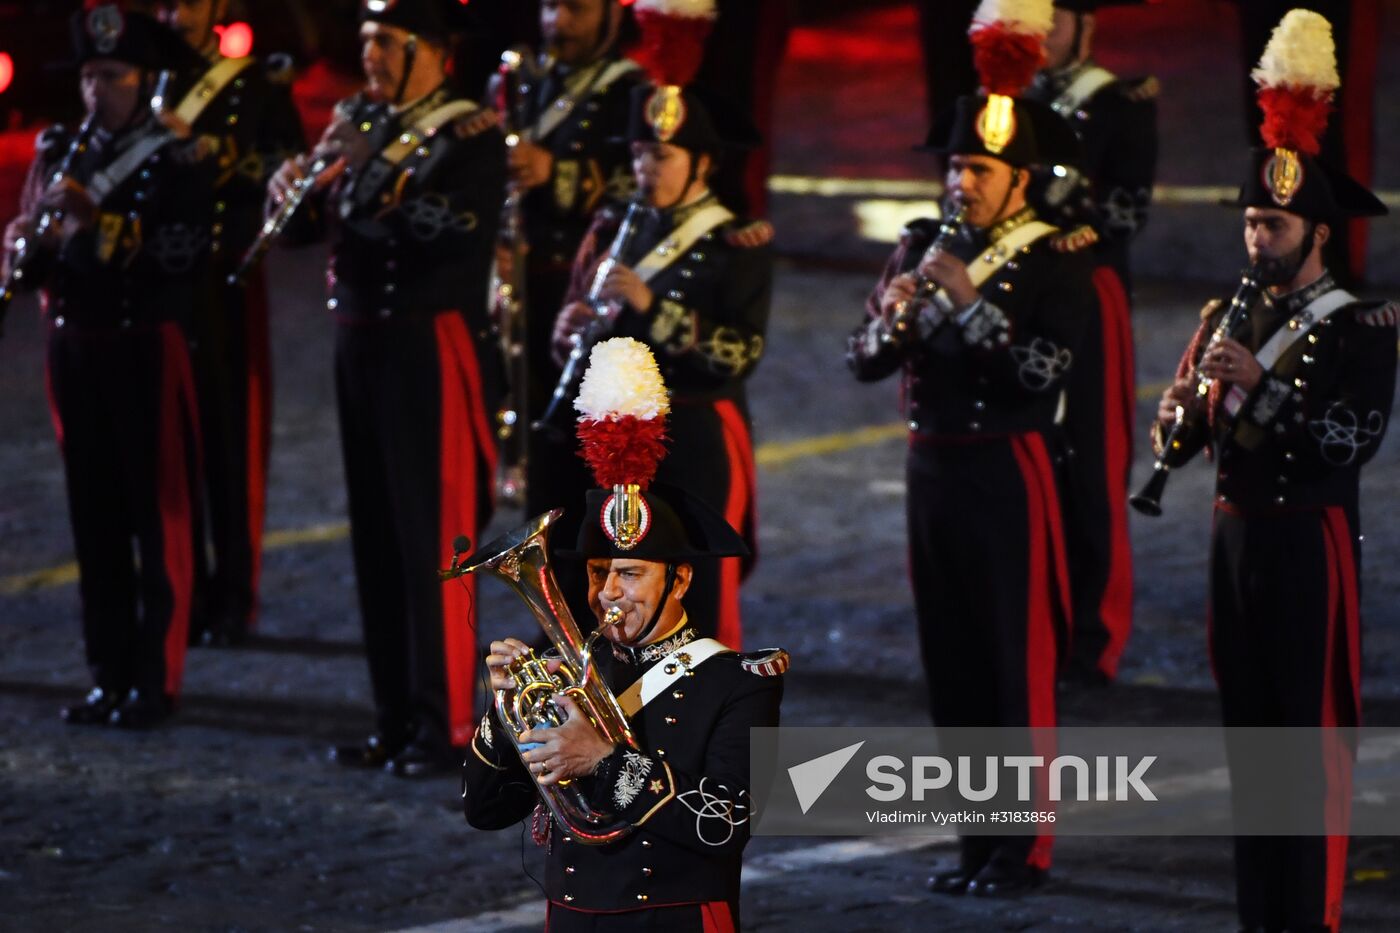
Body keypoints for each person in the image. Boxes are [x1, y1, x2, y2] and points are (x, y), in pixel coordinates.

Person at [1148, 11, 1392, 930]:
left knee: (1305, 733)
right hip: (1232, 536)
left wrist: (1260, 386)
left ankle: (1310, 912)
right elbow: (1200, 437)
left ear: (1317, 232)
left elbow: (1349, 440)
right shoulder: (1229, 311)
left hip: (1306, 538)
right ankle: (1262, 911)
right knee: (1248, 731)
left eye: (1275, 224)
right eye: (1252, 221)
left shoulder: (1362, 325)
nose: (1258, 239)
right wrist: (1177, 424)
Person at [847, 0, 1094, 896]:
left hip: (1006, 466)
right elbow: (860, 361)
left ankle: (1022, 845)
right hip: (931, 463)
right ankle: (971, 838)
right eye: (955, 166)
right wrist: (894, 319)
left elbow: (1042, 371)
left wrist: (966, 303)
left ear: (1018, 180)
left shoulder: (1055, 261)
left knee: (1011, 660)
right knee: (950, 660)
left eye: (979, 169)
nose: (962, 184)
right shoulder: (917, 244)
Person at [462, 338, 785, 931]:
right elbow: (483, 810)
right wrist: (501, 711)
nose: (610, 592)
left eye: (631, 574)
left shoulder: (737, 683)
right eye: (597, 573)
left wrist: (603, 762)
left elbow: (725, 824)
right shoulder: (568, 671)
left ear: (680, 579)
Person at [267, 0, 506, 777]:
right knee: (374, 534)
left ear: (433, 51)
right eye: (364, 40)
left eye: (386, 42)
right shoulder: (364, 123)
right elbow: (318, 232)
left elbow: (446, 226)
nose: (369, 56)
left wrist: (369, 166)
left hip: (427, 340)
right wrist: (293, 191)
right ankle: (395, 715)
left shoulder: (469, 132)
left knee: (433, 537)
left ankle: (448, 723)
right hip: (358, 338)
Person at [1, 3, 210, 728]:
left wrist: (98, 221)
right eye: (89, 77)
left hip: (143, 342)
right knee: (93, 519)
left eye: (112, 77)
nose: (97, 92)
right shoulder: (62, 148)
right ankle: (107, 672)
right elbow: (33, 265)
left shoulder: (177, 156)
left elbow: (183, 256)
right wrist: (24, 241)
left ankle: (157, 680)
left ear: (144, 79)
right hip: (73, 345)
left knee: (157, 517)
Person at [550, 0, 772, 651]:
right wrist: (570, 331)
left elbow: (738, 352)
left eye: (664, 155)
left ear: (702, 163)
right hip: (617, 439)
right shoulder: (617, 223)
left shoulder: (738, 240)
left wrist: (653, 305)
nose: (647, 166)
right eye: (642, 152)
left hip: (697, 430)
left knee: (696, 598)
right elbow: (579, 320)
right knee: (620, 600)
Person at [154, 0, 306, 647]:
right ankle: (180, 590)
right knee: (169, 447)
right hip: (159, 284)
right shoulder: (145, 83)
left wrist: (216, 156)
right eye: (162, 3)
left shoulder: (254, 85)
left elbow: (290, 170)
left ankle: (233, 592)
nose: (173, 14)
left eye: (186, 1)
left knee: (230, 439)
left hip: (226, 278)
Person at [1024, 0, 1158, 684]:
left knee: (1092, 462)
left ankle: (1093, 635)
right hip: (1016, 288)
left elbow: (1123, 215)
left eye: (1055, 21)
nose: (1042, 37)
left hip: (1086, 291)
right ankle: (1032, 620)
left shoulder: (1117, 103)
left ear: (1085, 26)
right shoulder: (1003, 100)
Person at [497, 0, 641, 589]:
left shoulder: (630, 90)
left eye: (577, 9)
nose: (559, 23)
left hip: (582, 289)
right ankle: (548, 597)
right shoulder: (520, 79)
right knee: (528, 441)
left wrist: (552, 169)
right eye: (551, 7)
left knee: (575, 455)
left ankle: (588, 602)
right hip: (521, 286)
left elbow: (635, 194)